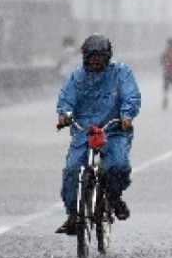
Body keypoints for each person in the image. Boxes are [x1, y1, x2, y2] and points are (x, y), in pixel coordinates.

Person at [55, 34, 141, 235]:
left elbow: (131, 95)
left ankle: (113, 197)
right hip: (84, 131)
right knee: (71, 170)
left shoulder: (121, 73)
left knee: (118, 165)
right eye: (91, 56)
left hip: (114, 131)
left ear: (107, 56)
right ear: (84, 56)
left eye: (100, 56)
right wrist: (64, 115)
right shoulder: (77, 76)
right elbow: (67, 98)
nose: (95, 60)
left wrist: (126, 115)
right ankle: (74, 215)